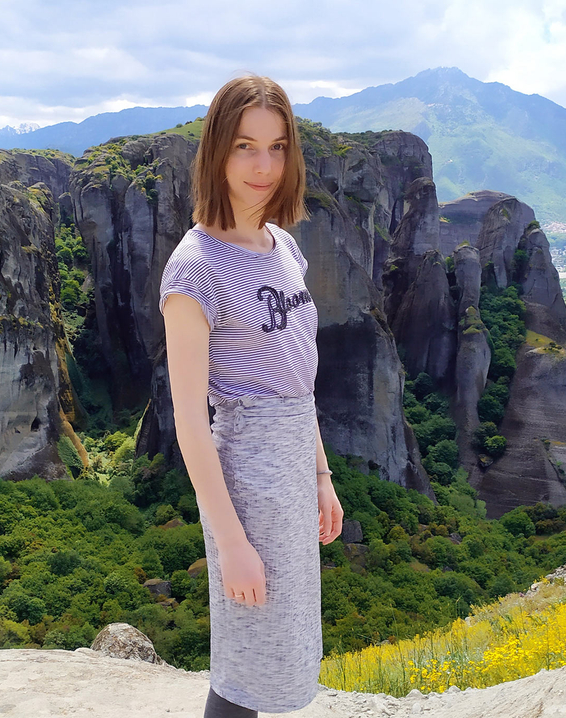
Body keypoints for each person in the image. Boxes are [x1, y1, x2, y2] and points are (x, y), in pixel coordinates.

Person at [157, 74, 344, 717]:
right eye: (245, 147)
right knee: (248, 658)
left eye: (278, 147)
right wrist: (231, 542)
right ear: (217, 151)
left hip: (293, 465)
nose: (264, 167)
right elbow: (190, 422)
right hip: (248, 476)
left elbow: (298, 378)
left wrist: (321, 475)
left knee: (281, 645)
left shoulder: (283, 246)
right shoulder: (194, 268)